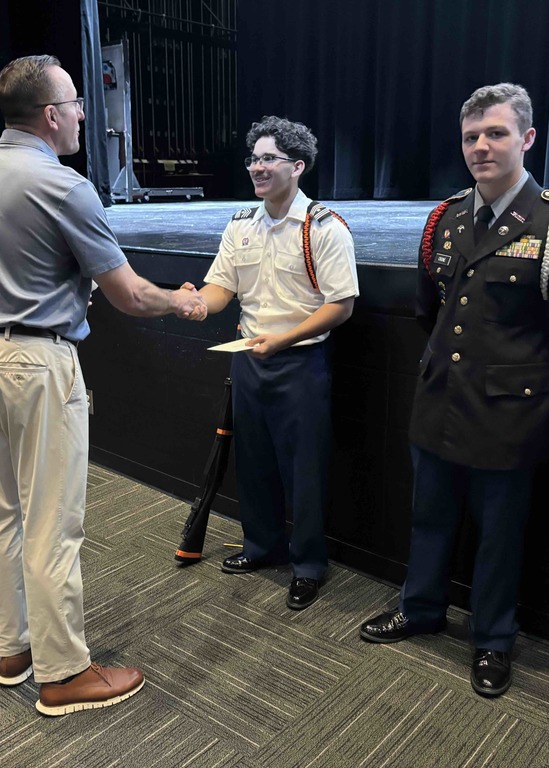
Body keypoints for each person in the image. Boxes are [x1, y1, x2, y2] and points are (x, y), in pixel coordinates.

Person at [0, 54, 205, 717]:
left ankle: (14, 649)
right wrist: (184, 302)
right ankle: (63, 675)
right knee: (53, 519)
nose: (85, 112)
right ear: (52, 115)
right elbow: (132, 296)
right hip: (34, 363)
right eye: (78, 102)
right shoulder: (64, 186)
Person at [359, 84, 549, 698]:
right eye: (471, 136)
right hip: (440, 398)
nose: (480, 147)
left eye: (495, 133)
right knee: (429, 517)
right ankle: (421, 609)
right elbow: (430, 308)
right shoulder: (446, 216)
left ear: (527, 138)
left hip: (510, 413)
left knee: (501, 536)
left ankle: (493, 641)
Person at [196, 116, 358, 610]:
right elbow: (222, 288)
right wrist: (196, 303)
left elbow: (341, 305)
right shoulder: (241, 224)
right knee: (256, 461)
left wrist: (284, 339)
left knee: (303, 469)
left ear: (298, 166)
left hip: (301, 363)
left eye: (269, 158)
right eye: (254, 159)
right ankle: (262, 547)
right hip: (249, 359)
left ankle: (308, 564)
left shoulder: (324, 228)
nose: (257, 167)